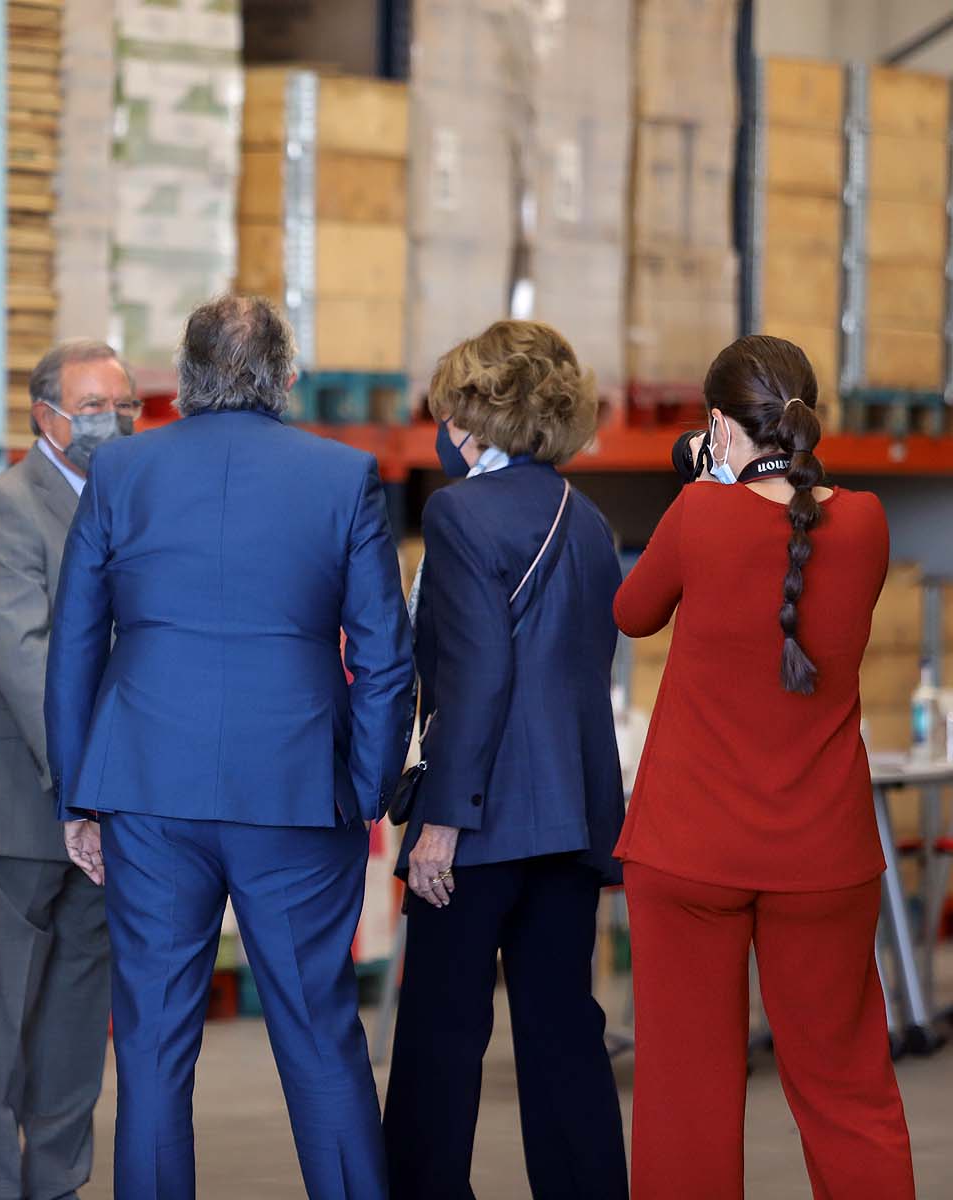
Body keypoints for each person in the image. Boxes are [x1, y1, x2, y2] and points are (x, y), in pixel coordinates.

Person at [44, 295, 414, 1199]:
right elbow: (385, 654)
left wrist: (78, 796)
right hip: (294, 791)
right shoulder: (342, 476)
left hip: (148, 787)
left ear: (186, 377)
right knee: (321, 1036)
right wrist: (363, 787)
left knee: (153, 1050)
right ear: (286, 379)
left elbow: (75, 646)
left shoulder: (121, 471)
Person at [614, 334, 915, 1198]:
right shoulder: (865, 522)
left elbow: (632, 613)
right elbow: (795, 541)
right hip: (824, 857)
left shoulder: (700, 515)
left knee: (687, 1095)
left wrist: (707, 485)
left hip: (689, 851)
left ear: (718, 425)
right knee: (847, 1090)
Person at [381, 320, 629, 1199]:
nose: (445, 426)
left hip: (480, 818)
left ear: (478, 415)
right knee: (564, 1033)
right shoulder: (590, 522)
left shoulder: (458, 513)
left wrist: (439, 823)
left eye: (453, 408)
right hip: (573, 815)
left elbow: (479, 675)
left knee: (441, 1041)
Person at [0, 339, 136, 1198]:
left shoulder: (130, 503)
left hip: (105, 816)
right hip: (23, 811)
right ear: (45, 414)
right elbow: (26, 663)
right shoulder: (2, 508)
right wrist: (87, 791)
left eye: (124, 405)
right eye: (95, 406)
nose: (114, 421)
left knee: (69, 1036)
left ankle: (55, 1188)